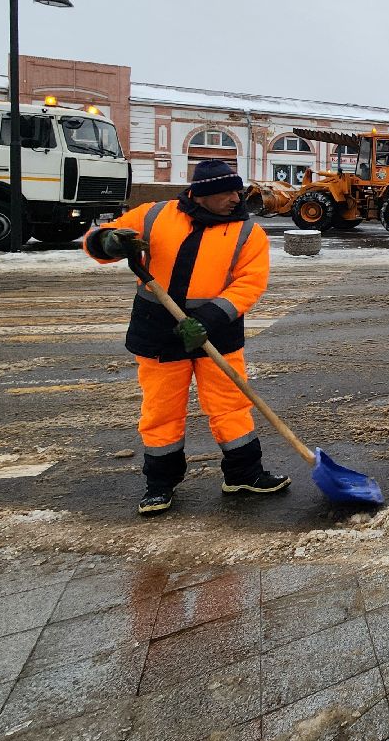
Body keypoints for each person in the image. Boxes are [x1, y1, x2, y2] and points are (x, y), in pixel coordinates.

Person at [84, 159, 289, 515]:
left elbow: (249, 283)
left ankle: (244, 474)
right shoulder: (154, 215)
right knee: (162, 410)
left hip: (217, 330)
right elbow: (100, 238)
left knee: (230, 406)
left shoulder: (247, 232)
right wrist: (108, 242)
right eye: (226, 193)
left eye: (237, 191)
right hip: (158, 329)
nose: (235, 199)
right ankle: (159, 484)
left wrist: (208, 318)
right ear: (201, 194)